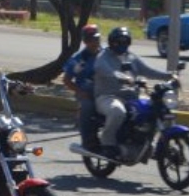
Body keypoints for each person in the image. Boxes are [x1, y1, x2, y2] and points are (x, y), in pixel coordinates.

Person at [92, 27, 175, 159]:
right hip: (108, 96)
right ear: (112, 42)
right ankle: (107, 143)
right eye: (118, 42)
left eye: (125, 42)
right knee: (117, 111)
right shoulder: (103, 57)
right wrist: (122, 77)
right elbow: (104, 69)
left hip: (130, 96)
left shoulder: (131, 57)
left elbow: (148, 70)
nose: (122, 45)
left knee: (154, 109)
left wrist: (169, 76)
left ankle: (148, 143)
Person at [62, 24, 103, 146]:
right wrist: (80, 92)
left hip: (105, 90)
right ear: (85, 41)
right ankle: (87, 140)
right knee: (87, 106)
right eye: (91, 40)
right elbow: (67, 80)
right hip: (87, 93)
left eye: (97, 39)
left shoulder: (107, 54)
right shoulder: (78, 60)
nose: (95, 42)